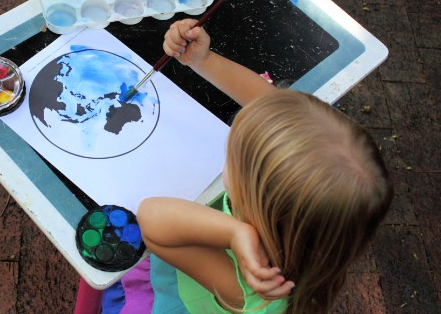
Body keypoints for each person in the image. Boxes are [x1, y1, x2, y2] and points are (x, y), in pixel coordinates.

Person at [102, 19, 393, 314]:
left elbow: (151, 217)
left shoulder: (252, 290)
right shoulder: (314, 237)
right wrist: (204, 60)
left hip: (172, 282)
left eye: (234, 153)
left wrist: (233, 233)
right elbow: (270, 105)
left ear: (250, 201)